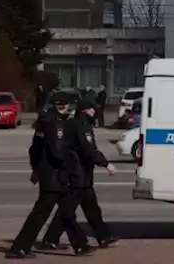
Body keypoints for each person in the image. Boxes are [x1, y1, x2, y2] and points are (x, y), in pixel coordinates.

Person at [7, 93, 91, 259]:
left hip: (50, 174)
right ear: (62, 105)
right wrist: (69, 167)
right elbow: (58, 152)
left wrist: (36, 169)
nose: (70, 109)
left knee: (66, 211)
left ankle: (81, 245)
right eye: (68, 105)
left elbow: (34, 150)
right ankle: (20, 247)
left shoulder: (44, 123)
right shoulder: (56, 124)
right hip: (56, 176)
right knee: (42, 214)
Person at [45, 96, 117, 248]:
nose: (95, 111)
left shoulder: (73, 123)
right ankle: (51, 238)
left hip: (81, 176)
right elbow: (89, 151)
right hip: (78, 175)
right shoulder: (82, 126)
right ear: (86, 110)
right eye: (92, 109)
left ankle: (104, 236)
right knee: (67, 210)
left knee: (92, 209)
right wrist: (106, 164)